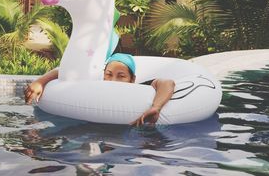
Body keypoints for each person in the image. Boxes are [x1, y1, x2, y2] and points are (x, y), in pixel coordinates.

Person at [24, 53, 175, 126]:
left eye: (121, 76)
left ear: (132, 79)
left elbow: (168, 83)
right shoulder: (96, 87)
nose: (113, 80)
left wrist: (156, 107)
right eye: (108, 75)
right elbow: (66, 73)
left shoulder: (141, 89)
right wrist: (41, 82)